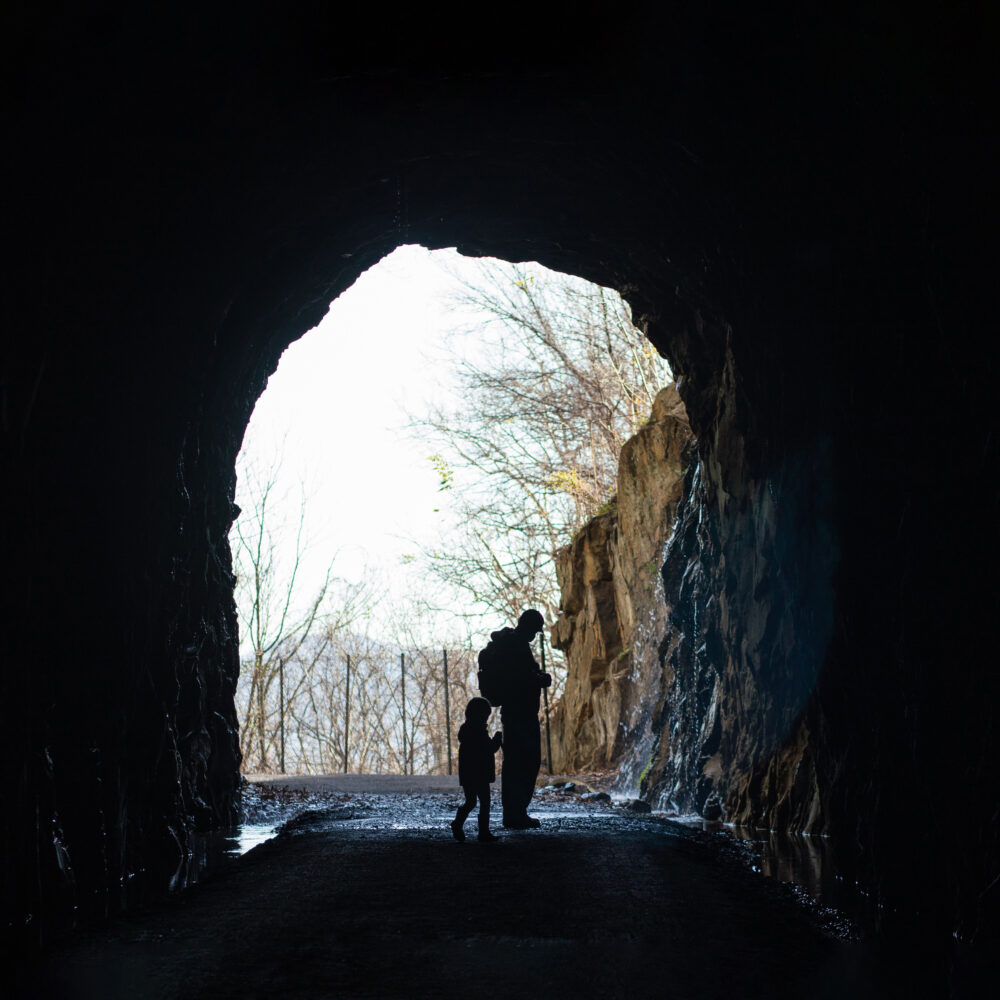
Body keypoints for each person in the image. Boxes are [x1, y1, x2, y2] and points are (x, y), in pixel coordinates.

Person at [481, 609, 551, 829]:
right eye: (535, 630)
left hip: (515, 714)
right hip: (520, 714)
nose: (535, 635)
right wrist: (540, 680)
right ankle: (515, 813)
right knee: (525, 763)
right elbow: (519, 679)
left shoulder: (513, 644)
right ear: (529, 627)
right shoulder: (516, 646)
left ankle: (515, 812)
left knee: (516, 763)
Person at [450, 697, 503, 843]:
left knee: (471, 802)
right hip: (480, 774)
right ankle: (483, 832)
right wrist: (498, 738)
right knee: (485, 802)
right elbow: (489, 749)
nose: (485, 719)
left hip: (468, 775)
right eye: (485, 716)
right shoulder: (479, 732)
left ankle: (458, 823)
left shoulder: (467, 731)